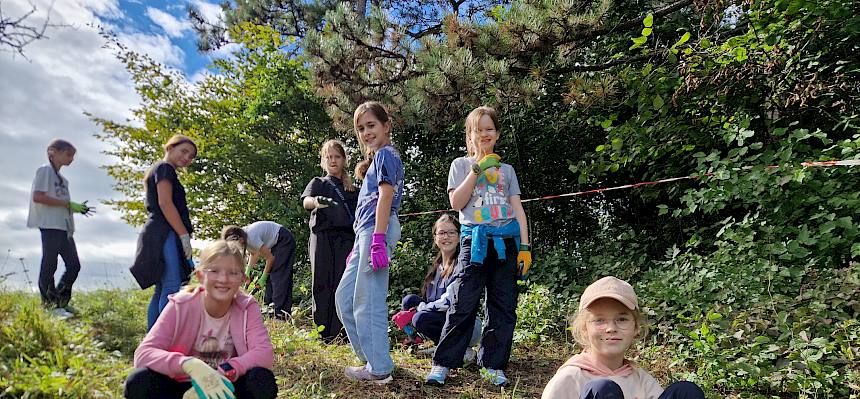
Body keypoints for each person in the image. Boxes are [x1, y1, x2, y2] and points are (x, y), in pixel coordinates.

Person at [425, 106, 532, 387]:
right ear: (469, 135)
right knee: (462, 302)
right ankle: (443, 363)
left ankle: (493, 364)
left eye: (489, 129)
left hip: (506, 243)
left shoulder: (507, 170)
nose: (483, 134)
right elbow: (456, 203)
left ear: (496, 134)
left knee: (504, 306)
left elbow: (518, 210)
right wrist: (477, 169)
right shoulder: (460, 165)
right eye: (477, 130)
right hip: (475, 241)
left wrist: (525, 246)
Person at [125, 240, 277, 399]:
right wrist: (189, 365)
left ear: (242, 279)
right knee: (139, 381)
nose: (223, 279)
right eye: (214, 271)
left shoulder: (247, 306)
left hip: (226, 383)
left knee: (261, 380)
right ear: (200, 276)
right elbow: (144, 354)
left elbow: (263, 353)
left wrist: (225, 371)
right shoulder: (180, 304)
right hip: (183, 385)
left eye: (233, 272)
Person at [542, 276, 705, 399]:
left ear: (636, 327)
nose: (611, 328)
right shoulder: (571, 377)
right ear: (585, 328)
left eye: (622, 319)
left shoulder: (640, 379)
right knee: (602, 389)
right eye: (599, 320)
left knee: (686, 392)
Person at [334, 101, 405, 384]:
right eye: (360, 128)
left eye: (371, 125)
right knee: (344, 298)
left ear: (386, 126)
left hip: (378, 230)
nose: (365, 132)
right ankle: (369, 355)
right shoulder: (375, 160)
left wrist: (377, 238)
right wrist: (358, 246)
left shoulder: (387, 154)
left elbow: (385, 198)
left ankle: (379, 368)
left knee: (369, 300)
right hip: (364, 234)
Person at [130, 134, 197, 331]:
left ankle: (152, 341)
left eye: (191, 156)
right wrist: (183, 235)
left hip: (161, 232)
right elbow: (165, 203)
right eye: (183, 151)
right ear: (169, 147)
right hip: (163, 233)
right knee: (171, 287)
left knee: (162, 289)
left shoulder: (162, 170)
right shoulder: (164, 168)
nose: (187, 158)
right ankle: (165, 340)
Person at [394, 214, 481, 362]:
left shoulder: (462, 264)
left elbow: (447, 302)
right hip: (443, 319)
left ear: (460, 236)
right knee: (409, 300)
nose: (446, 237)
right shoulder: (437, 267)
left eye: (451, 232)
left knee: (420, 317)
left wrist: (419, 309)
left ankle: (460, 349)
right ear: (435, 237)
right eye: (441, 233)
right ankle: (418, 340)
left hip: (467, 326)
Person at [27, 139, 95, 319]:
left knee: (74, 264)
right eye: (68, 154)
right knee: (50, 263)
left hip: (64, 227)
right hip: (49, 224)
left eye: (73, 156)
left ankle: (60, 300)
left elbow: (63, 204)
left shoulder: (63, 180)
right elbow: (38, 197)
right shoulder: (44, 171)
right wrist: (67, 203)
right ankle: (49, 304)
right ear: (53, 152)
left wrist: (74, 207)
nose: (71, 159)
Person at [301, 139, 358, 341]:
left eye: (337, 156)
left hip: (346, 240)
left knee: (342, 286)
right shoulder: (318, 182)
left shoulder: (352, 190)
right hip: (322, 237)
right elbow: (306, 202)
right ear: (323, 161)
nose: (333, 161)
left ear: (344, 159)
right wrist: (317, 201)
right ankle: (323, 333)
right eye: (329, 157)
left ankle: (341, 334)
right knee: (322, 282)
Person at [220, 221, 297, 320]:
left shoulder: (250, 236)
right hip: (276, 244)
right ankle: (270, 309)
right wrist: (247, 272)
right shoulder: (244, 235)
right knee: (272, 278)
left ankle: (280, 315)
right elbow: (253, 254)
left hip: (284, 240)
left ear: (239, 239)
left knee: (278, 277)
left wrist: (263, 278)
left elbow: (270, 259)